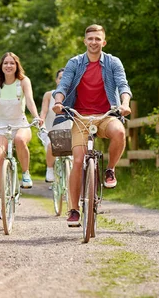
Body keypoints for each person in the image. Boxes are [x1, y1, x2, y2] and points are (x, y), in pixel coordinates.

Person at [52, 24, 132, 227]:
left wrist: (124, 104)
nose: (94, 42)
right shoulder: (75, 63)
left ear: (104, 42)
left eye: (98, 39)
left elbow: (123, 85)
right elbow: (63, 85)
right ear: (85, 41)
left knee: (120, 132)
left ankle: (110, 170)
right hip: (80, 117)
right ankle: (73, 209)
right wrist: (58, 102)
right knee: (78, 161)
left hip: (106, 115)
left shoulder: (113, 62)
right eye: (90, 39)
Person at [0, 52, 43, 221]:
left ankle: (25, 173)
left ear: (17, 66)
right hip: (1, 124)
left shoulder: (23, 82)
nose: (9, 66)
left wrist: (36, 116)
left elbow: (29, 100)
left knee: (20, 140)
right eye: (5, 63)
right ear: (1, 66)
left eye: (12, 63)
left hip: (20, 122)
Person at [39, 68, 72, 183]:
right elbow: (43, 111)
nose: (63, 80)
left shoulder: (74, 94)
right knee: (51, 145)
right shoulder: (49, 95)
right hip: (51, 130)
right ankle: (49, 169)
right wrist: (41, 121)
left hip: (69, 131)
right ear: (56, 80)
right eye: (60, 78)